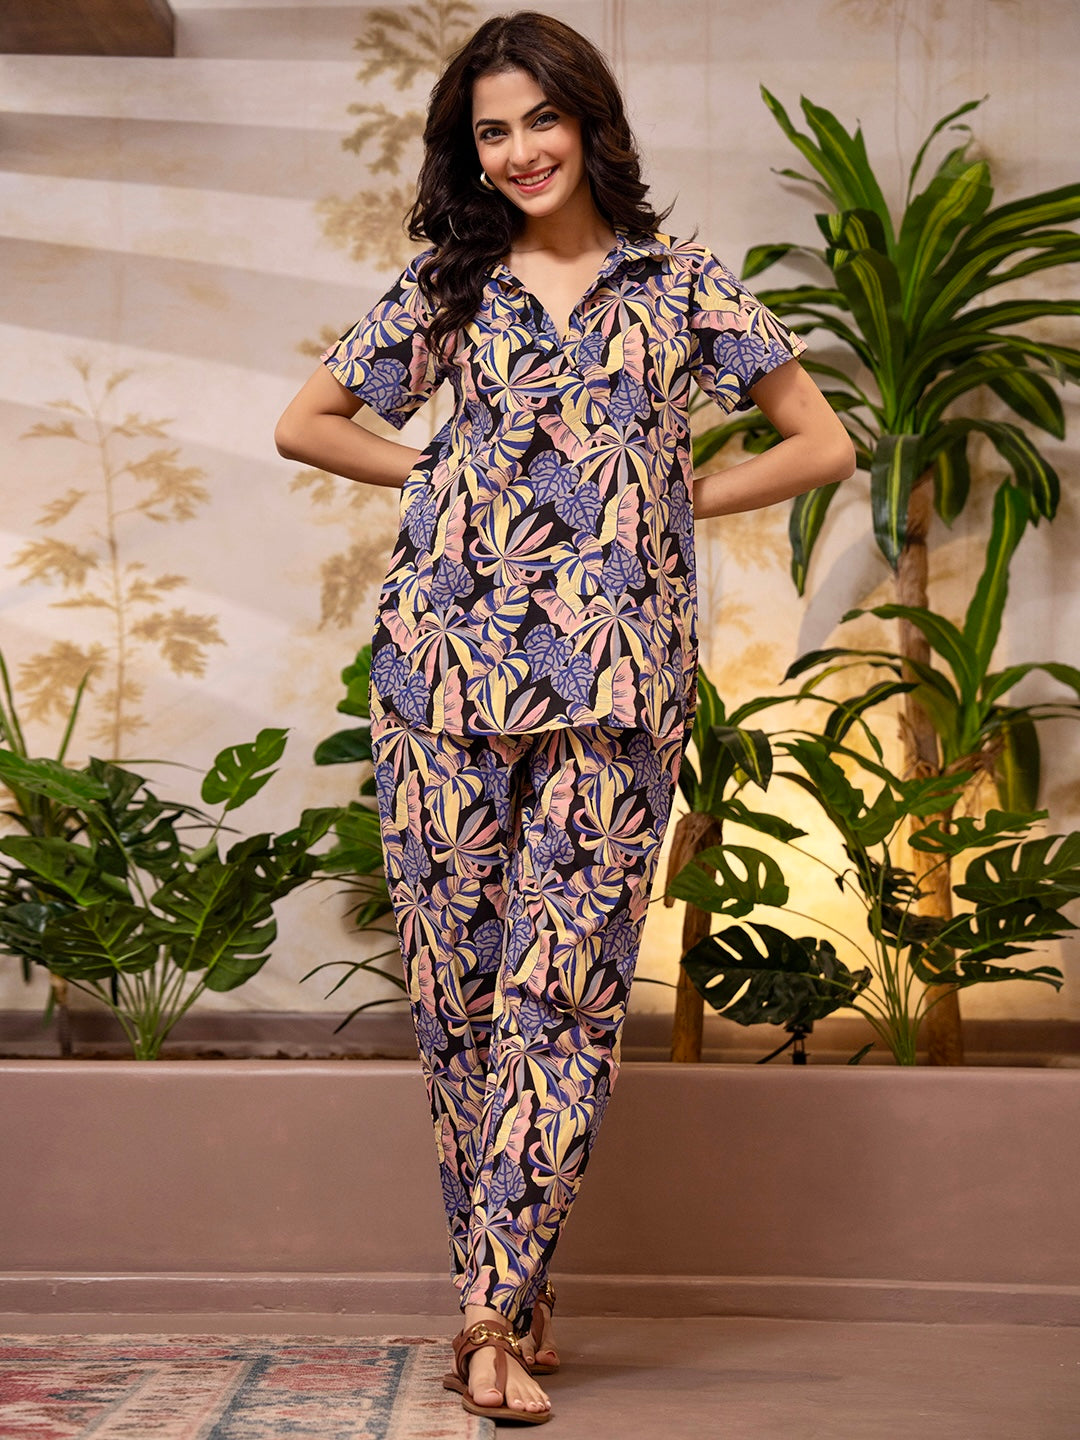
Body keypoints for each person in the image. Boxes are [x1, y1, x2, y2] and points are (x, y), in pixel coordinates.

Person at [276, 10, 854, 1426]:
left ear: (591, 122)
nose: (521, 150)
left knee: (566, 994)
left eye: (542, 118)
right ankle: (512, 1291)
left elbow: (824, 439)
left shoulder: (680, 284)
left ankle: (484, 1316)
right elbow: (308, 422)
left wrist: (675, 492)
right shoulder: (448, 287)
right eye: (492, 130)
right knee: (461, 1001)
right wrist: (438, 475)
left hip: (617, 688)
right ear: (468, 151)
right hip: (441, 679)